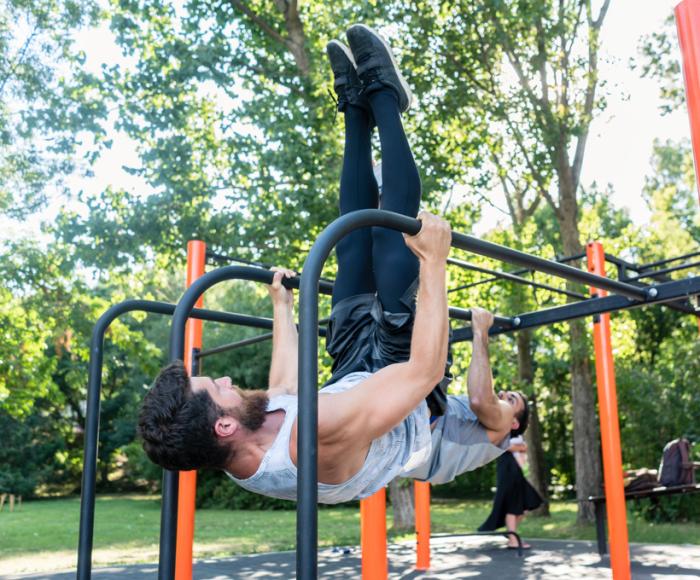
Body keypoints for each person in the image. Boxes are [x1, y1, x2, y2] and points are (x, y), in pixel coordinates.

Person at [138, 24, 529, 503]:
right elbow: (423, 371)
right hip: (403, 392)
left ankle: (354, 109)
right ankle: (385, 94)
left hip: (348, 376)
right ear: (223, 423)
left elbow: (284, 389)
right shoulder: (313, 438)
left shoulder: (234, 451)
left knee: (349, 243)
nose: (224, 379)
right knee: (393, 242)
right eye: (217, 387)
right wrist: (434, 262)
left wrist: (283, 309)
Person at [478, 435, 543, 549]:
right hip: (507, 469)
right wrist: (518, 447)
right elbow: (505, 446)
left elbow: (524, 447)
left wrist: (517, 447)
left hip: (518, 471)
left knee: (529, 502)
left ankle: (510, 532)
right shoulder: (503, 429)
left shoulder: (517, 432)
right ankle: (513, 540)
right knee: (512, 505)